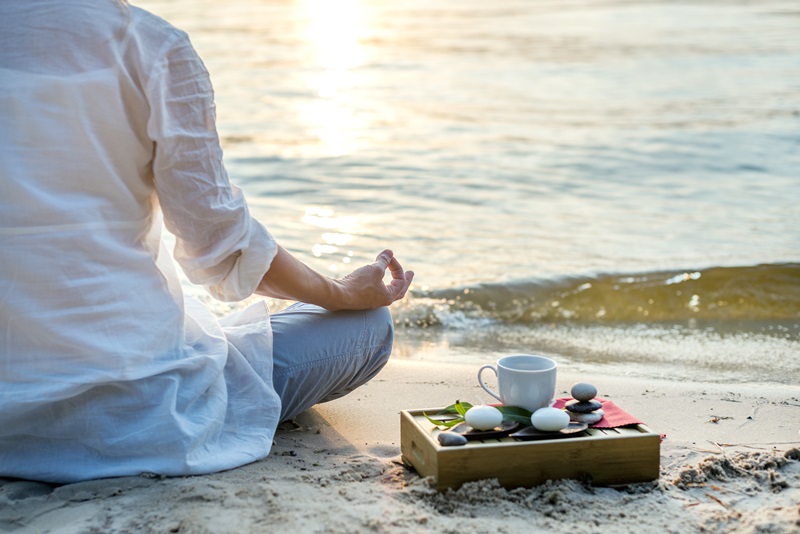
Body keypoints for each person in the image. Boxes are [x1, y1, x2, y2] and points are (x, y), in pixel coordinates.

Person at [0, 0, 413, 483]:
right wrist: (344, 292)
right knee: (368, 329)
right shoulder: (152, 49)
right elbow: (223, 250)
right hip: (135, 414)